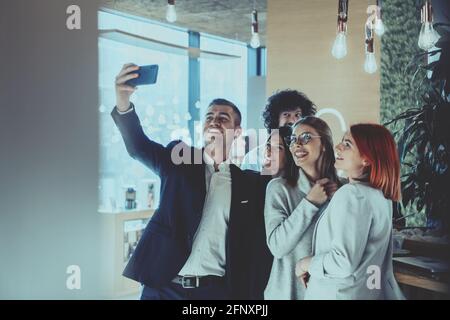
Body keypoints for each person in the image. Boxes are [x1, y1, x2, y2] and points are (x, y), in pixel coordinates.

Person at [112, 63, 264, 300]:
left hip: (214, 291)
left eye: (223, 118)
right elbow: (138, 146)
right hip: (163, 287)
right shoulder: (178, 160)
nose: (214, 121)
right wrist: (123, 102)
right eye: (210, 117)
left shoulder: (248, 184)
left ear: (237, 131)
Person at [296, 124, 405, 300]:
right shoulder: (380, 197)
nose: (338, 147)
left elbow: (343, 263)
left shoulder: (351, 194)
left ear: (367, 159)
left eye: (347, 144)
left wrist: (305, 264)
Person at [263, 116, 340, 300]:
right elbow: (277, 247)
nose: (296, 144)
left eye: (305, 137)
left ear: (324, 144)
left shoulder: (343, 191)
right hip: (286, 294)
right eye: (292, 139)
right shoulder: (279, 188)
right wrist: (310, 203)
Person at [241, 89, 317, 172]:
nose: (292, 121)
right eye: (286, 115)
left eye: (297, 115)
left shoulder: (309, 154)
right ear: (275, 119)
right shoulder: (254, 157)